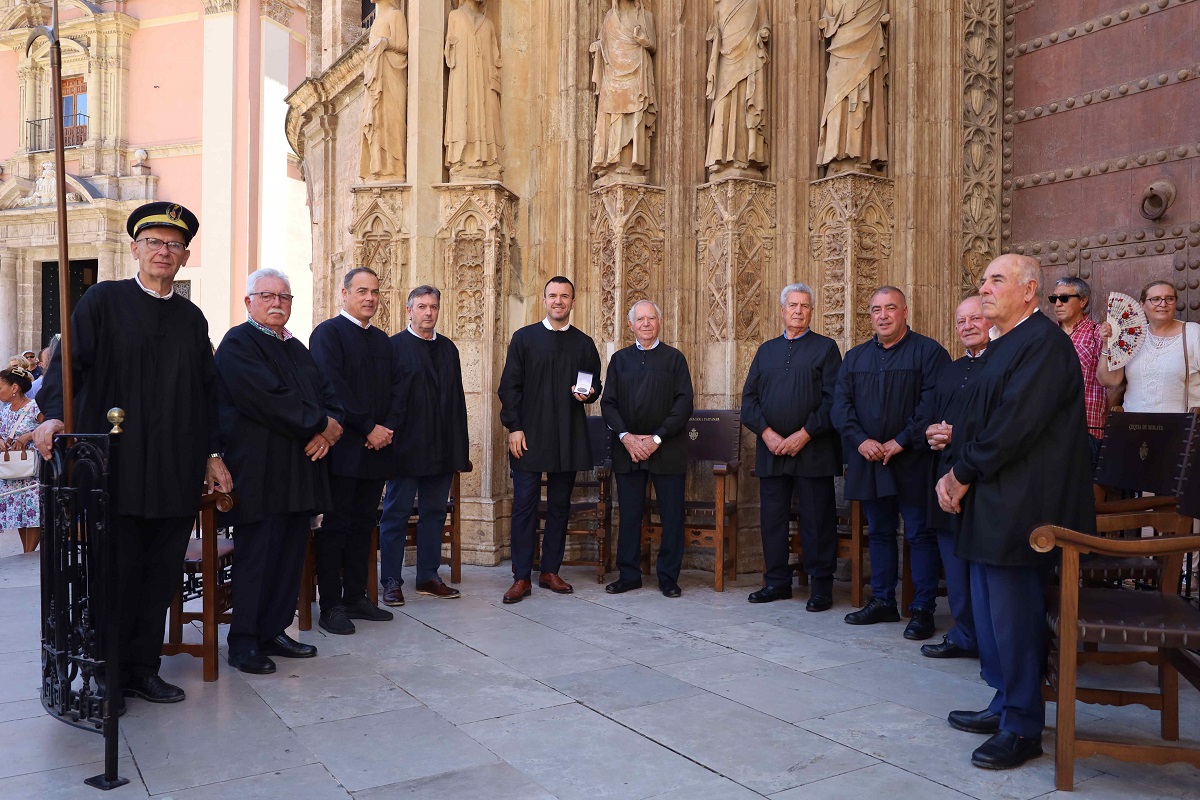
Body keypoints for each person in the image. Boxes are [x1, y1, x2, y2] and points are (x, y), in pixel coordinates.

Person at [34, 201, 231, 710]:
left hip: (173, 467)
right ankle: (107, 675)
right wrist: (53, 415)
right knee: (114, 575)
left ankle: (144, 670)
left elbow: (207, 392)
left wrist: (212, 454)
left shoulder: (191, 318)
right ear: (135, 249)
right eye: (153, 243)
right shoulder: (103, 300)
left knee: (160, 576)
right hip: (114, 468)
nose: (163, 251)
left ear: (184, 256)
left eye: (173, 245)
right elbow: (68, 366)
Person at [938, 254, 1094, 770]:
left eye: (996, 280)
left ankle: (1023, 725)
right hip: (994, 500)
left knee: (1014, 616)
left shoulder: (1043, 344)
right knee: (990, 613)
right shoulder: (1005, 343)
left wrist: (961, 473)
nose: (984, 288)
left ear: (1029, 291)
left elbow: (1015, 426)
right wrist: (955, 463)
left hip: (1025, 508)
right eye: (983, 280)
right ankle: (1005, 700)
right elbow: (981, 420)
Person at [216, 268, 344, 675]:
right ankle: (244, 642)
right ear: (249, 301)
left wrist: (330, 429)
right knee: (257, 558)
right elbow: (268, 399)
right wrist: (321, 424)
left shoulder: (297, 347)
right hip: (260, 471)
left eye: (284, 297)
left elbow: (327, 396)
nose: (277, 303)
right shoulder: (238, 343)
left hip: (300, 470)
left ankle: (273, 631)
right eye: (267, 296)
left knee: (289, 557)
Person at [832, 286, 949, 639]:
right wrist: (861, 440)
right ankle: (883, 600)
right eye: (876, 309)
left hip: (914, 460)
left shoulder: (929, 352)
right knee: (880, 532)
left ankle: (923, 609)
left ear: (905, 311)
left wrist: (902, 440)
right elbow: (840, 406)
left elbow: (932, 403)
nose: (883, 316)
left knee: (919, 534)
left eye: (890, 308)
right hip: (870, 459)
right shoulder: (855, 358)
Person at [309, 267, 401, 635]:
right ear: (344, 294)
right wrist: (368, 427)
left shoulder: (383, 341)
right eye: (362, 291)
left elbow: (398, 390)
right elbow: (333, 388)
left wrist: (386, 428)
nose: (369, 298)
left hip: (377, 449)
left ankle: (356, 596)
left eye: (375, 292)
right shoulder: (327, 334)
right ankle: (331, 605)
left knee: (365, 525)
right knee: (336, 526)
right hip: (343, 450)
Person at [497, 276, 602, 604]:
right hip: (527, 437)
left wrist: (588, 394)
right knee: (524, 507)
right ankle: (521, 576)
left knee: (559, 506)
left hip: (567, 435)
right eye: (553, 295)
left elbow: (593, 384)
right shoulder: (524, 338)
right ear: (544, 300)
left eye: (564, 296)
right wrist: (514, 427)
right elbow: (509, 387)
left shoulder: (584, 344)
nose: (558, 301)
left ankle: (550, 571)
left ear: (573, 302)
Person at [741, 284, 842, 609]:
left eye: (805, 306)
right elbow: (749, 401)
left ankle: (821, 587)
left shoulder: (826, 348)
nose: (798, 311)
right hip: (771, 451)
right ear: (782, 310)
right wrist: (767, 433)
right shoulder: (766, 351)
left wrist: (805, 433)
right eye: (793, 305)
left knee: (817, 519)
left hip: (813, 450)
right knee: (772, 519)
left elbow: (834, 399)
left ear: (812, 312)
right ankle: (776, 582)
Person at [378, 285, 469, 606]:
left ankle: (428, 576)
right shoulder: (393, 347)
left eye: (433, 307)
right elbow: (386, 401)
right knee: (396, 515)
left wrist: (459, 450)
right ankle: (391, 580)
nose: (428, 312)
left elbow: (456, 402)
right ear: (409, 311)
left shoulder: (448, 349)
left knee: (434, 514)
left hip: (441, 449)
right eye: (421, 307)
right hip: (404, 449)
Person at [601, 300, 695, 598]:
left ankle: (668, 577)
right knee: (629, 514)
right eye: (640, 319)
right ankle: (629, 575)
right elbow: (608, 403)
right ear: (630, 325)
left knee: (672, 515)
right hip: (628, 450)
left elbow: (684, 404)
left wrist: (656, 439)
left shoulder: (675, 359)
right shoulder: (619, 360)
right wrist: (627, 437)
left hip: (667, 448)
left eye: (651, 318)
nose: (645, 323)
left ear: (660, 322)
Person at [916, 296, 990, 659]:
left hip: (984, 479)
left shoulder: (1002, 365)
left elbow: (1003, 424)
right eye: (961, 321)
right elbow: (929, 415)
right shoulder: (949, 370)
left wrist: (957, 434)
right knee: (954, 561)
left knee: (983, 567)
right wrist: (931, 432)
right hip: (945, 473)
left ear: (991, 320)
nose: (968, 326)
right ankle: (964, 634)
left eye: (975, 318)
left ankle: (989, 639)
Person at [1097, 280, 1200, 413]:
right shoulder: (1132, 335)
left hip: (1181, 424)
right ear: (1142, 305)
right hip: (1134, 423)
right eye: (1155, 299)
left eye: (1169, 298)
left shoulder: (1193, 333)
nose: (1163, 304)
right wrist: (1107, 345)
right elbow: (1110, 381)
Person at [1050, 276, 1110, 463]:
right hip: (1048, 432)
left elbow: (1113, 383)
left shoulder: (1098, 334)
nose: (1057, 304)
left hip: (1086, 430)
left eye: (1064, 298)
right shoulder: (1047, 336)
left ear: (1083, 301)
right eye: (1054, 299)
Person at [0, 366, 42, 553]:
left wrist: (29, 436)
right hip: (11, 470)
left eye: (0, 387)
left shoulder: (34, 407)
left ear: (14, 388)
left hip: (30, 469)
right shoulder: (5, 410)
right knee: (18, 513)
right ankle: (26, 551)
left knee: (32, 511)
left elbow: (52, 427)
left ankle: (28, 552)